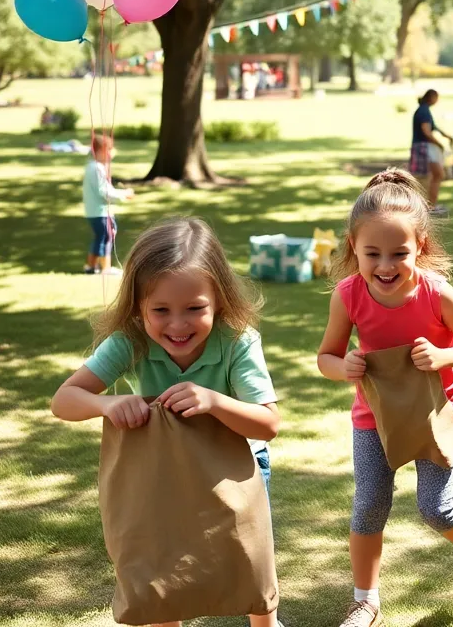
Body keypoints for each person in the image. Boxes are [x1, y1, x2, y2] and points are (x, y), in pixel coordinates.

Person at [50, 217, 284, 627]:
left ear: (221, 300)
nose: (178, 325)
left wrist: (214, 401)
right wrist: (108, 404)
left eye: (195, 309)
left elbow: (267, 424)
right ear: (139, 307)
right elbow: (64, 400)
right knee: (162, 565)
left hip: (235, 471)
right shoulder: (131, 339)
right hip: (162, 470)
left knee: (248, 560)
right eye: (161, 310)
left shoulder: (236, 340)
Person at [316, 170, 453, 625]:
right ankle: (365, 600)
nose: (385, 265)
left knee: (434, 508)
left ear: (421, 246)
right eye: (372, 253)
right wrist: (345, 368)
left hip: (438, 409)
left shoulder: (437, 293)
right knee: (369, 504)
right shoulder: (348, 295)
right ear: (352, 247)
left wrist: (442, 355)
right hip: (374, 415)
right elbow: (326, 356)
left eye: (399, 253)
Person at [82, 133, 134, 275]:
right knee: (107, 236)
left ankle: (91, 266)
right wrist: (124, 194)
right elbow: (104, 191)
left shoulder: (91, 167)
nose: (111, 154)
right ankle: (106, 268)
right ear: (99, 151)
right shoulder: (97, 168)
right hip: (101, 211)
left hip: (93, 211)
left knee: (100, 237)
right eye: (108, 150)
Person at [408, 89, 453, 216]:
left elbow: (434, 127)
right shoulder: (424, 111)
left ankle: (430, 206)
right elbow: (427, 131)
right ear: (431, 97)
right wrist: (439, 143)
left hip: (424, 148)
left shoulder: (424, 110)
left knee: (433, 175)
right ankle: (427, 207)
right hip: (423, 148)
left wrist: (447, 137)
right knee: (430, 176)